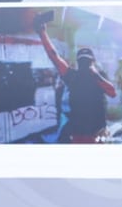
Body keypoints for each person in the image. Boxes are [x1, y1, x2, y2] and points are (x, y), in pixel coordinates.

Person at [35, 13, 116, 143]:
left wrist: (42, 33)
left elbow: (112, 92)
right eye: (83, 62)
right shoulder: (79, 76)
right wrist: (42, 33)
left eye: (86, 62)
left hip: (94, 133)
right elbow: (54, 57)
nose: (85, 65)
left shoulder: (89, 76)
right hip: (84, 133)